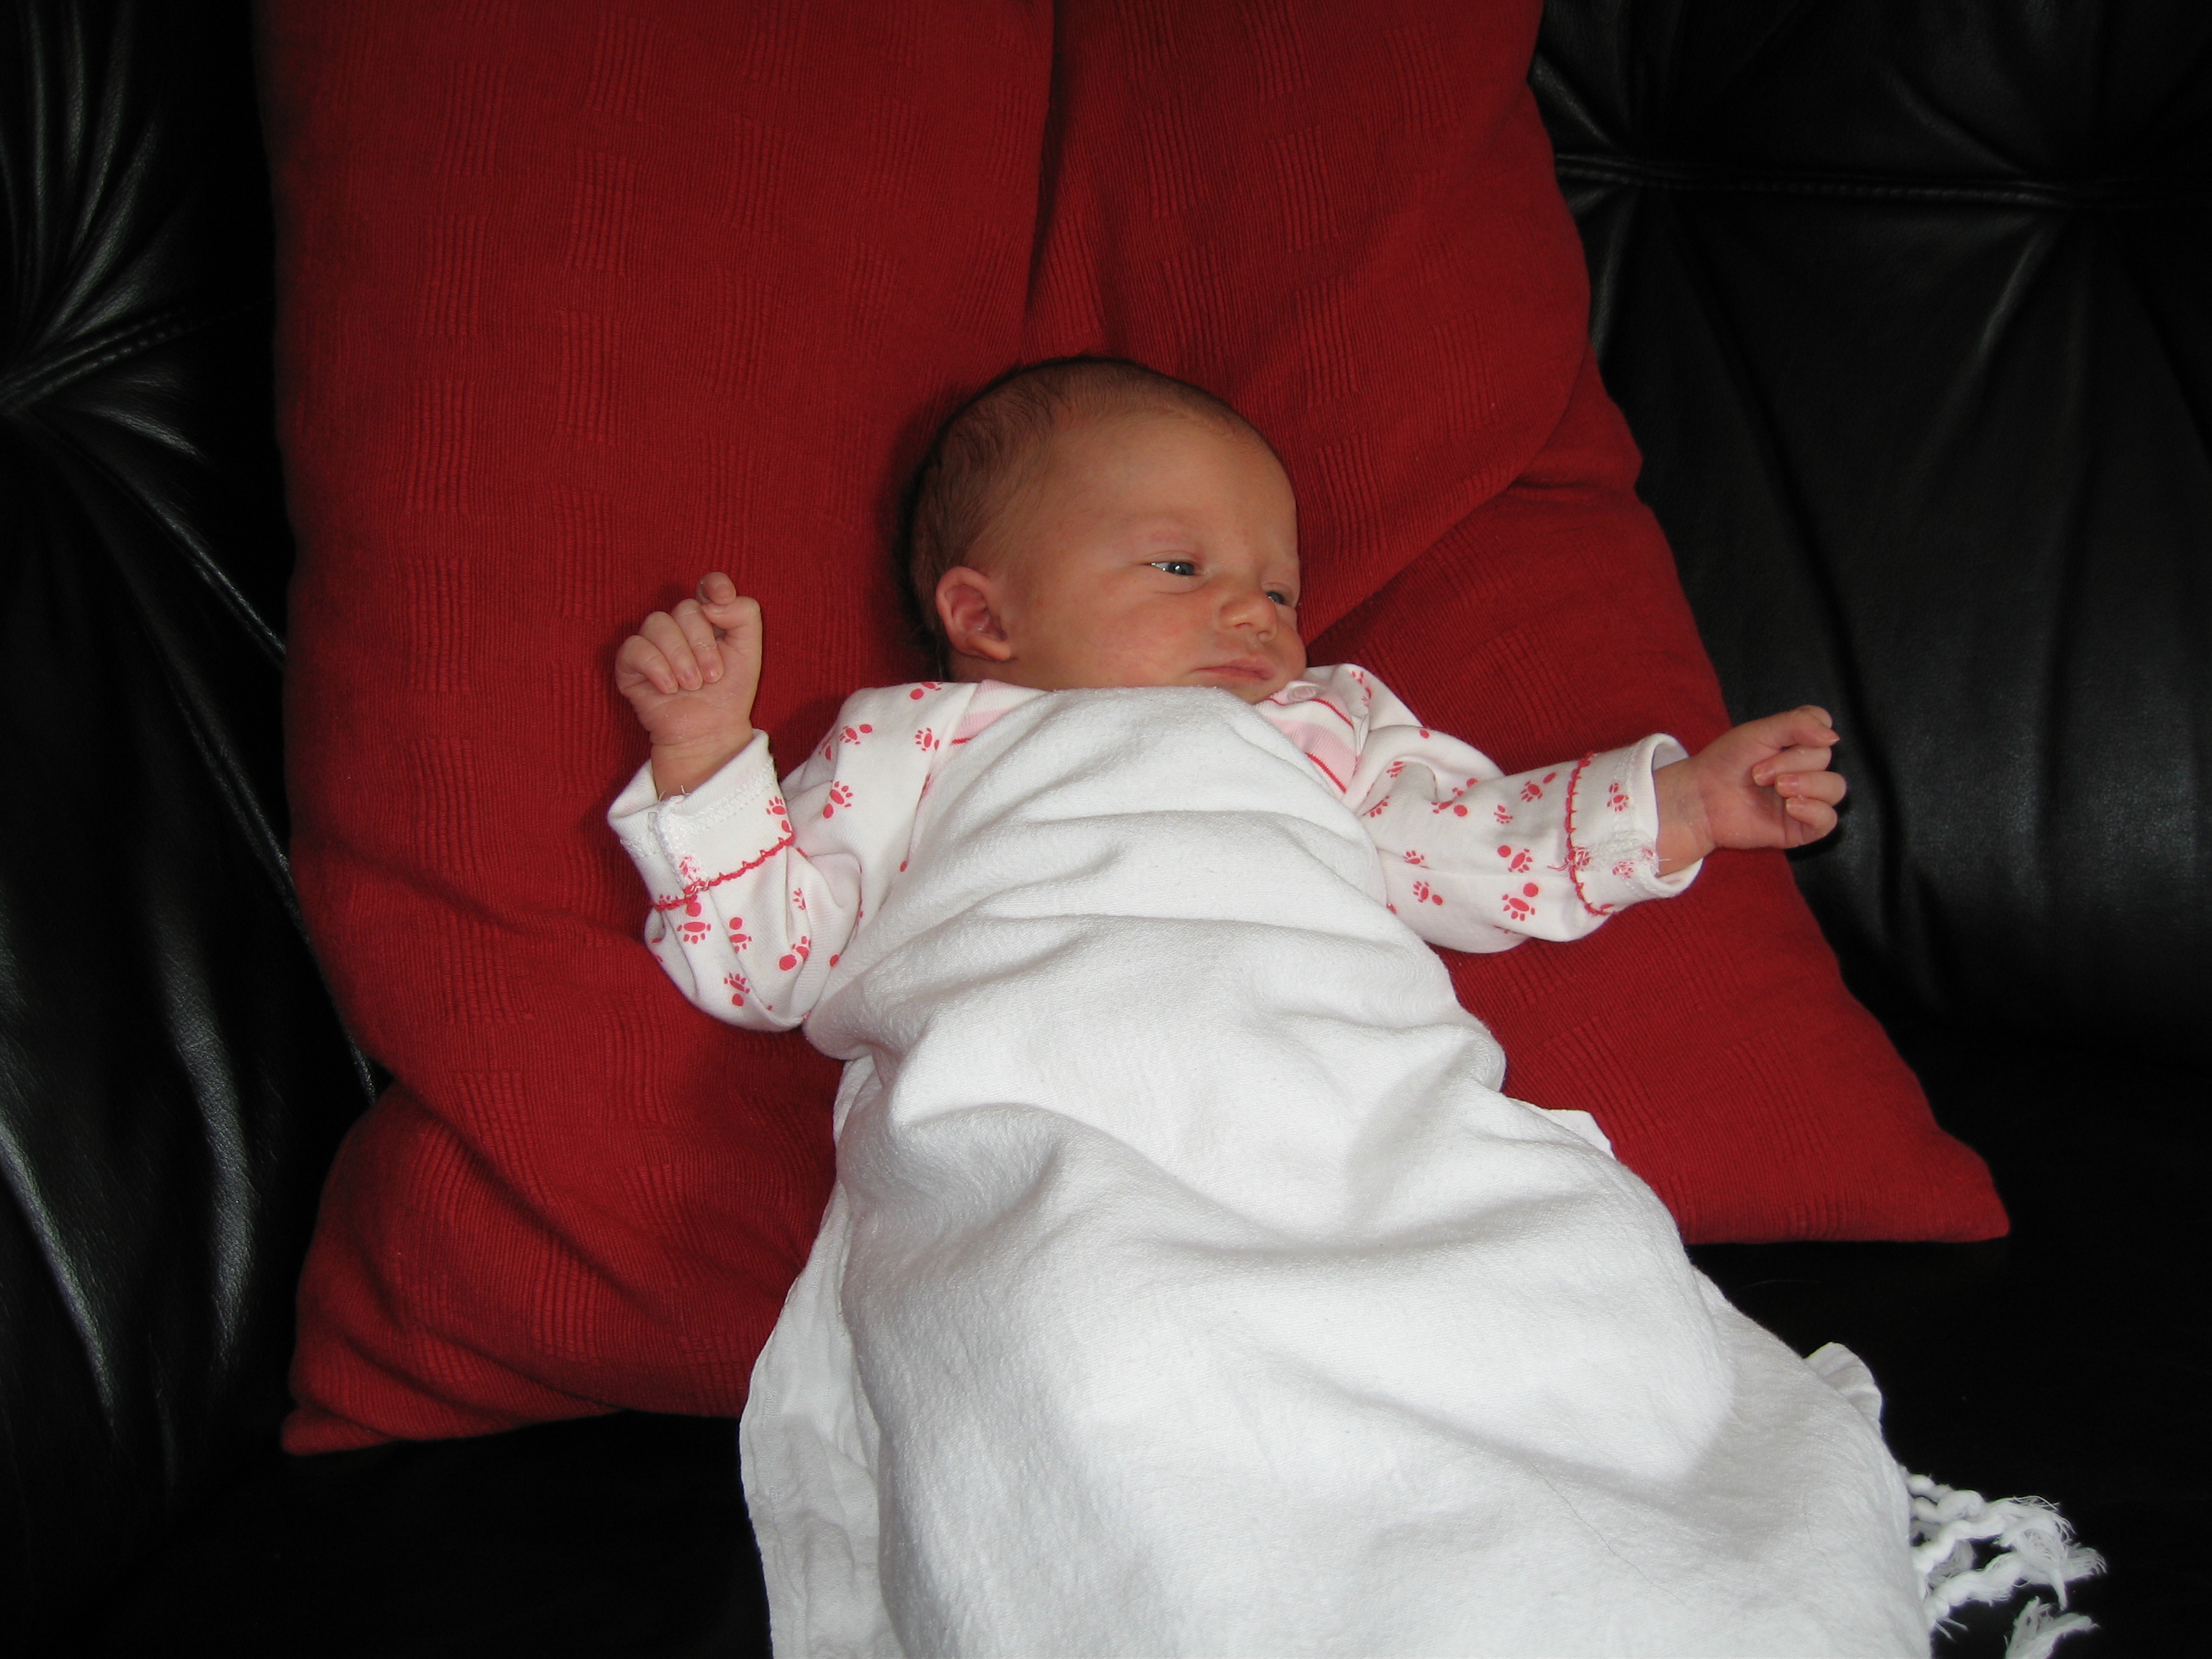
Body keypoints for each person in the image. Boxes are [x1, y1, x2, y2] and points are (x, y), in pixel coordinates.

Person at [604, 359, 1941, 1658]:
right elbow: (772, 960)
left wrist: (1682, 806)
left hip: (1362, 1115)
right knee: (1085, 1323)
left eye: (1280, 586)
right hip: (1075, 1137)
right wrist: (708, 760)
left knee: (1562, 1260)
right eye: (1181, 569)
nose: (1254, 613)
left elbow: (1472, 846)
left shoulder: (1322, 728)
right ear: (985, 617)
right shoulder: (910, 747)